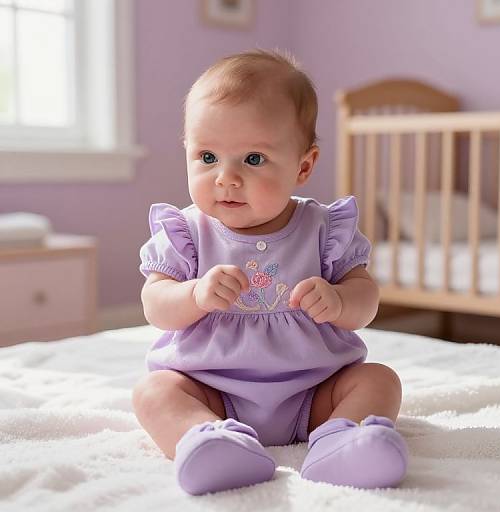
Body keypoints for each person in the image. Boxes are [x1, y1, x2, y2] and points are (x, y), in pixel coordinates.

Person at [132, 48, 408, 496]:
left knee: (380, 380)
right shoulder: (186, 231)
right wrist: (195, 295)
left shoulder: (324, 229)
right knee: (153, 392)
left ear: (304, 166)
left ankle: (339, 440)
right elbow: (154, 304)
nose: (225, 177)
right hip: (211, 391)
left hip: (314, 391)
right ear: (186, 151)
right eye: (206, 157)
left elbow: (366, 298)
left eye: (253, 159)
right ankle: (211, 441)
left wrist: (340, 301)